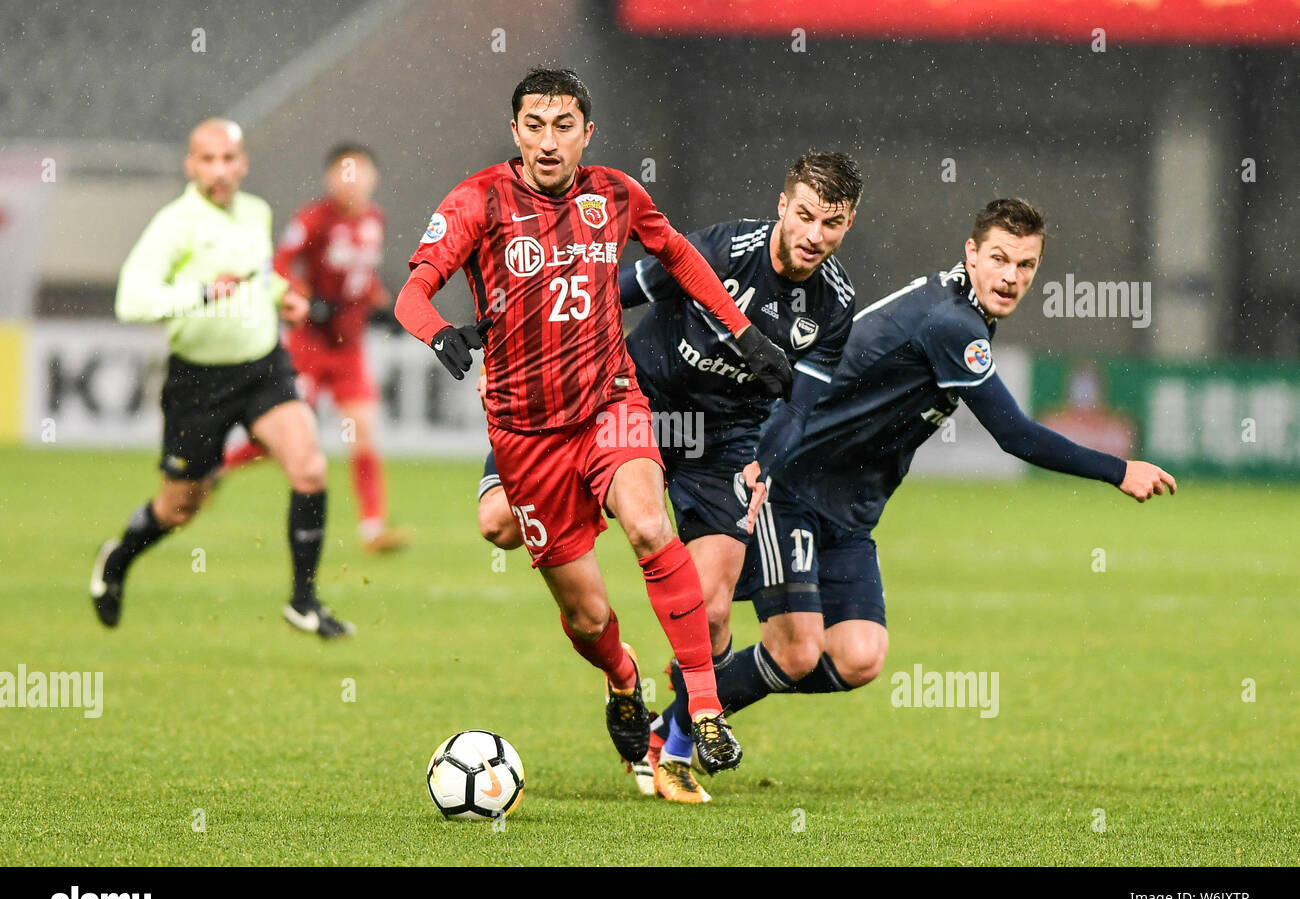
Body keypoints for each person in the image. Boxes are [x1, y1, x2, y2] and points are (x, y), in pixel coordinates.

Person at [654, 198, 1178, 803]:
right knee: (797, 651)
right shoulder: (953, 323)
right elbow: (1015, 435)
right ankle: (673, 737)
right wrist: (1118, 470)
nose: (1012, 277)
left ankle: (703, 684)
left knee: (858, 657)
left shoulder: (963, 309)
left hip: (849, 511)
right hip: (790, 484)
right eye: (1000, 259)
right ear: (972, 254)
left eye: (1027, 266)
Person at [394, 68, 794, 773]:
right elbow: (413, 292)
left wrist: (745, 334)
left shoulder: (615, 193)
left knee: (647, 525)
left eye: (564, 126)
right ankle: (622, 678)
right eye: (535, 126)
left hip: (610, 403)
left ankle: (703, 708)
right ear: (515, 131)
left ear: (588, 132)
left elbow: (678, 255)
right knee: (587, 617)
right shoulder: (477, 201)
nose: (549, 142)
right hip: (525, 436)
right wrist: (437, 332)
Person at [475, 152, 863, 801]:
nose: (814, 234)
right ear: (781, 205)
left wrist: (765, 460)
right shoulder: (721, 249)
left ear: (849, 223)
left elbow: (798, 406)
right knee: (498, 526)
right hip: (627, 401)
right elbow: (616, 288)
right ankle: (619, 674)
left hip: (725, 443)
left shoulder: (835, 305)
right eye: (805, 215)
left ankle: (674, 748)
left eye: (832, 222)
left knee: (711, 610)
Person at [90, 118, 355, 639]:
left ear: (243, 164)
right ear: (190, 166)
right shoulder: (175, 224)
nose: (219, 170)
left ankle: (303, 601)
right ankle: (117, 559)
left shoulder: (255, 211)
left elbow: (258, 276)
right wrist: (203, 294)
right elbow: (132, 300)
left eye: (228, 159)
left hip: (262, 367)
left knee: (309, 468)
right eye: (207, 160)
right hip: (198, 384)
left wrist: (285, 296)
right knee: (179, 507)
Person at [222, 144, 411, 554]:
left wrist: (385, 307)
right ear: (330, 179)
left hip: (349, 350)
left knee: (363, 434)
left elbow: (363, 277)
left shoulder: (374, 220)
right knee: (282, 440)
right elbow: (280, 263)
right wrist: (305, 295)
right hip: (308, 344)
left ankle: (372, 529)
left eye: (360, 173)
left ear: (373, 178)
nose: (353, 181)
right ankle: (218, 467)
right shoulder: (313, 219)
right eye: (345, 173)